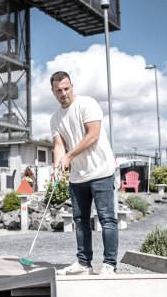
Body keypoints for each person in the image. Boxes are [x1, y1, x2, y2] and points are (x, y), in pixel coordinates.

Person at [50, 71, 118, 276]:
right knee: (81, 221)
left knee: (106, 219)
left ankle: (109, 265)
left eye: (66, 88)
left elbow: (93, 135)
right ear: (53, 92)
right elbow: (58, 145)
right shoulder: (55, 118)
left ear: (72, 86)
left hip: (101, 171)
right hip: (78, 176)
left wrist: (69, 156)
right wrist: (56, 168)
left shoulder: (87, 104)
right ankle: (83, 263)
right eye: (59, 90)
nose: (64, 93)